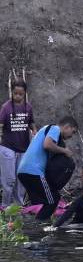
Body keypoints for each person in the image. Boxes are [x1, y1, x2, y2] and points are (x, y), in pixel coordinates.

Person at [17, 117, 78, 221]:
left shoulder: (46, 130)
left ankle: (40, 222)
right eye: (73, 132)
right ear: (67, 127)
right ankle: (40, 224)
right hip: (34, 171)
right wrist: (65, 151)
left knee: (52, 197)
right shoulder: (55, 129)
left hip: (24, 171)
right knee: (52, 200)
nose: (71, 136)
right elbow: (47, 145)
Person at [0, 80, 35, 208]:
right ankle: (5, 206)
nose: (18, 96)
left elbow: (31, 123)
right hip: (8, 147)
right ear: (12, 92)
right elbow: (0, 124)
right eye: (15, 93)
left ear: (25, 93)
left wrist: (34, 131)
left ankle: (18, 207)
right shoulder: (6, 107)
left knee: (20, 179)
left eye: (21, 94)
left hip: (23, 149)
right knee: (9, 179)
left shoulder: (28, 107)